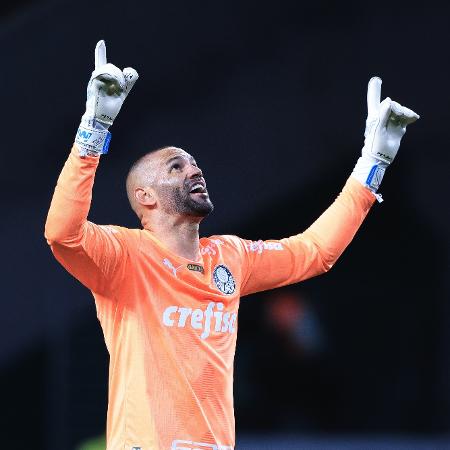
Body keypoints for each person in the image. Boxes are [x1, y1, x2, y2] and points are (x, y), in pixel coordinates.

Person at [45, 40, 419, 450]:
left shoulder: (230, 257)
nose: (194, 168)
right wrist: (93, 131)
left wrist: (372, 164)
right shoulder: (126, 257)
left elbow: (316, 252)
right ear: (146, 197)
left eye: (193, 162)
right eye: (176, 166)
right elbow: (63, 233)